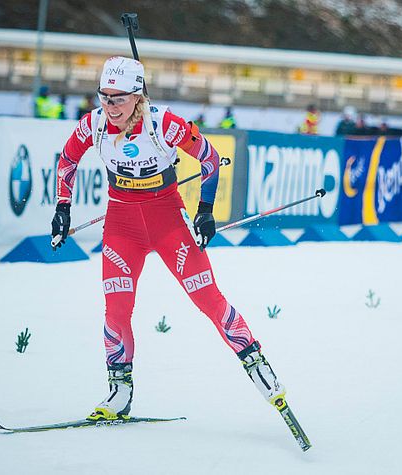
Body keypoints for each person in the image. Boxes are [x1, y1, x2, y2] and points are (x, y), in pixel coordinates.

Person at [51, 56, 289, 422]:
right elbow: (66, 161)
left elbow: (209, 159)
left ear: (137, 95)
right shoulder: (93, 124)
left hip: (168, 223)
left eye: (118, 98)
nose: (109, 106)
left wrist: (205, 210)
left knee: (209, 300)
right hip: (121, 225)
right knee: (116, 309)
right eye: (103, 96)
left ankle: (259, 368)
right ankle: (119, 392)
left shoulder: (163, 124)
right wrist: (62, 208)